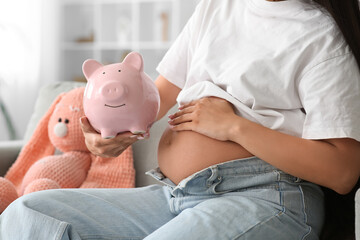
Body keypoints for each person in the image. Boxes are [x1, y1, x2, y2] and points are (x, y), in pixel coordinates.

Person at [1, 0, 360, 239]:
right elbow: (156, 95)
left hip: (266, 197)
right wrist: (111, 134)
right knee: (28, 214)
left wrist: (235, 127)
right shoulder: (219, 6)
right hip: (177, 196)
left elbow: (343, 172)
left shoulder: (321, 35)